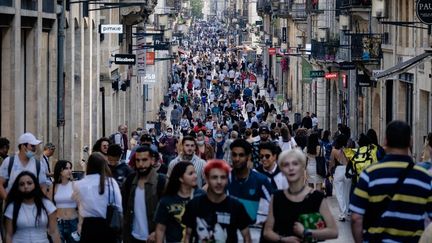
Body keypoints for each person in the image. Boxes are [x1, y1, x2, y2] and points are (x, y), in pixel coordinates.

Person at [350, 120, 432, 243]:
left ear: (385, 141)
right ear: (410, 142)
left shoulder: (369, 174)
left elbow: (356, 217)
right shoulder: (423, 177)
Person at [263, 149, 338, 242]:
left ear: (303, 167)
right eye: (286, 164)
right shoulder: (277, 197)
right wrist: (283, 240)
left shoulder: (316, 197)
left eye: (295, 164)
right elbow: (267, 232)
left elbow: (333, 231)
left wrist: (306, 232)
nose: (291, 168)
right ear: (281, 170)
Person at [182, 160, 253, 243]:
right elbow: (188, 236)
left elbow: (247, 237)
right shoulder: (194, 204)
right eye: (214, 177)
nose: (219, 182)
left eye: (223, 177)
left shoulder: (236, 206)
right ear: (207, 179)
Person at [73, 152, 122, 243]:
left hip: (88, 226)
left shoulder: (79, 185)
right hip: (107, 225)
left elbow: (76, 202)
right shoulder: (111, 182)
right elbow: (118, 205)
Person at [122, 146, 167, 243]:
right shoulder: (130, 181)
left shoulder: (161, 182)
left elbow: (168, 212)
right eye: (138, 160)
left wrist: (157, 232)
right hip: (132, 237)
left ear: (152, 160)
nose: (141, 164)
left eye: (144, 160)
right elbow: (125, 208)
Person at [4, 171, 61, 243]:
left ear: (35, 185)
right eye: (22, 184)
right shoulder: (12, 207)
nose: (26, 186)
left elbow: (54, 232)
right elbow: (9, 235)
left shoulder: (47, 205)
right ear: (18, 187)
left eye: (29, 183)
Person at [228, 139, 274, 226]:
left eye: (241, 155)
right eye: (234, 155)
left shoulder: (261, 180)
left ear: (248, 157)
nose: (237, 159)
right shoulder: (224, 179)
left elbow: (274, 206)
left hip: (253, 232)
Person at [154, 162, 202, 243]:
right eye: (190, 174)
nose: (195, 176)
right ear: (180, 178)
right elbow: (160, 229)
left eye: (195, 173)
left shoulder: (201, 196)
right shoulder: (167, 200)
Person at [0, 132, 47, 200]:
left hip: (32, 208)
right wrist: (8, 200)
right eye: (32, 145)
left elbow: (43, 186)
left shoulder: (38, 165)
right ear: (23, 146)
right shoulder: (9, 162)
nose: (35, 149)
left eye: (35, 146)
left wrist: (39, 203)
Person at [51, 160, 79, 243]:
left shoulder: (75, 185)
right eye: (66, 168)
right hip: (58, 223)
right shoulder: (53, 186)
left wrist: (80, 224)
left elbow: (81, 206)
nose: (70, 171)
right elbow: (49, 207)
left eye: (70, 168)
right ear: (60, 170)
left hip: (73, 222)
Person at [329, 134, 351, 222]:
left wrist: (329, 171)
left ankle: (342, 214)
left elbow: (332, 163)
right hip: (348, 171)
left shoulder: (334, 151)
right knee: (346, 193)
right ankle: (346, 211)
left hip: (339, 170)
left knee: (339, 193)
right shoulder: (348, 151)